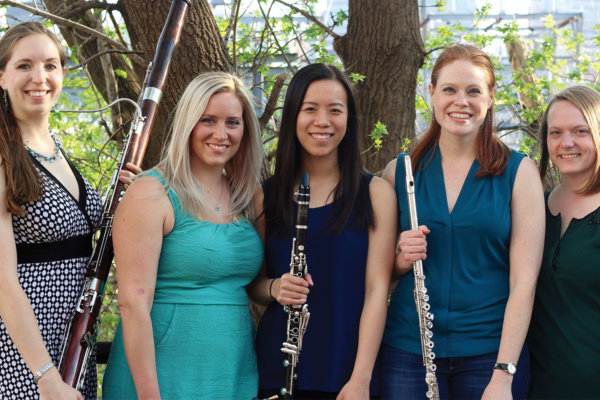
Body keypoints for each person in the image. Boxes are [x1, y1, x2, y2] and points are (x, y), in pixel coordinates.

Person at [380, 44, 545, 399]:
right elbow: (378, 275)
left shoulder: (520, 173)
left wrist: (504, 373)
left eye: (474, 91)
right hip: (409, 352)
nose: (461, 101)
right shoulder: (399, 172)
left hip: (490, 355)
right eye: (450, 89)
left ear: (490, 98)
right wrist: (400, 259)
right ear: (432, 94)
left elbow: (523, 284)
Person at [101, 71, 265, 399]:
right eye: (208, 120)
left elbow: (256, 287)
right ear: (188, 123)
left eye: (233, 122)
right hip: (161, 379)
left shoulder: (247, 196)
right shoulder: (151, 191)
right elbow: (133, 304)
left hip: (231, 373)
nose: (221, 133)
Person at [0, 21, 139, 400]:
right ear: (2, 77)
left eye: (50, 65)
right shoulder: (2, 157)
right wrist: (44, 376)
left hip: (76, 343)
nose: (39, 77)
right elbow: (3, 283)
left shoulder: (55, 149)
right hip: (28, 356)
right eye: (24, 65)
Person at [248, 63, 397, 399]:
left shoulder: (376, 194)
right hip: (279, 370)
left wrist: (361, 378)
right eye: (310, 109)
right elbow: (254, 285)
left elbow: (377, 290)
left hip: (347, 375)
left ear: (349, 119)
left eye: (335, 110)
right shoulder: (264, 195)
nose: (322, 121)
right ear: (292, 117)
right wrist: (275, 287)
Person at [527, 85, 600, 399]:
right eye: (555, 132)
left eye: (580, 131)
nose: (566, 143)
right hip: (533, 386)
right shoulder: (532, 209)